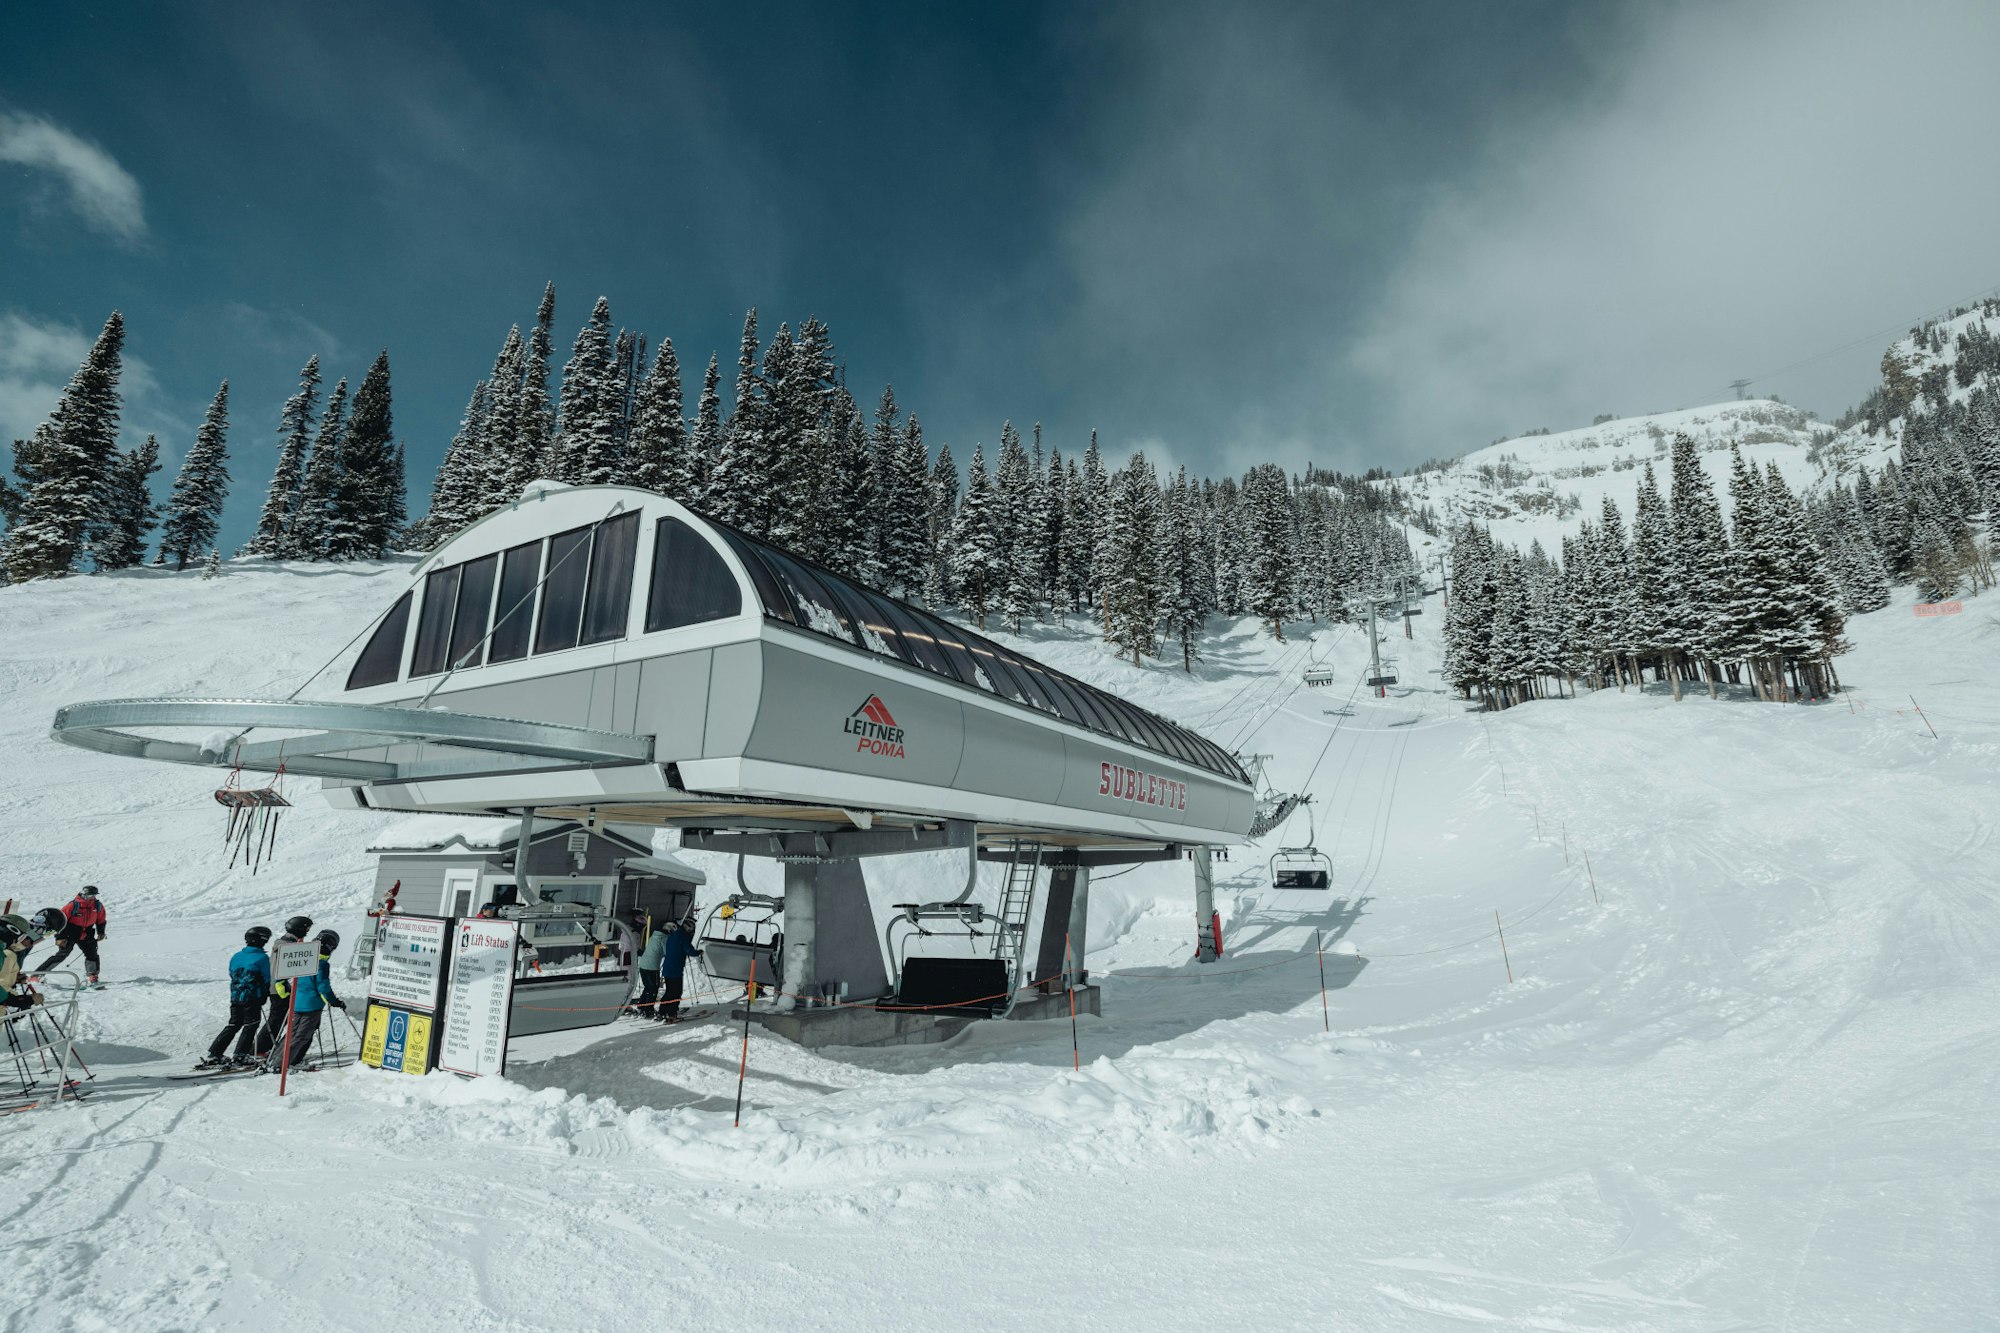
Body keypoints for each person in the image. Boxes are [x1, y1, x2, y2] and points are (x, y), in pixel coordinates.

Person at [196, 926, 272, 1070]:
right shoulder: (262, 958)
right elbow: (267, 978)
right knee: (251, 1024)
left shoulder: (236, 956)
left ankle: (214, 1053)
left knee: (234, 1024)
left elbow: (232, 973)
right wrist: (264, 994)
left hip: (236, 996)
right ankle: (241, 1054)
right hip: (253, 997)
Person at [254, 915, 314, 1061]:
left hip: (279, 986)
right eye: (306, 929)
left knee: (280, 1019)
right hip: (279, 988)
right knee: (277, 1020)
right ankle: (260, 1049)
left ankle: (264, 1048)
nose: (307, 932)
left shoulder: (284, 943)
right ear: (299, 928)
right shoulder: (287, 946)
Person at [283, 929, 346, 1070]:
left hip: (297, 1002)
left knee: (293, 1034)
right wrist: (334, 1001)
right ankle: (282, 1063)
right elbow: (323, 988)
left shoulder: (304, 959)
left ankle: (281, 1059)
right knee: (302, 1036)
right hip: (311, 1006)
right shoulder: (321, 964)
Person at [33, 886, 107, 984]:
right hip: (69, 934)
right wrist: (60, 937)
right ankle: (37, 975)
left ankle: (92, 975)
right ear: (84, 894)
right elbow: (60, 921)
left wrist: (101, 932)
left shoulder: (97, 906)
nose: (92, 897)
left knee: (92, 954)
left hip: (87, 934)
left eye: (94, 895)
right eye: (90, 895)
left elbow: (101, 920)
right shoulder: (73, 906)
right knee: (62, 955)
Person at [654, 912, 700, 1022]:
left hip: (668, 967)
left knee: (669, 991)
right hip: (675, 970)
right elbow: (689, 950)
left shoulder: (674, 934)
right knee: (676, 992)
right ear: (688, 927)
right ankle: (672, 1013)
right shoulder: (683, 936)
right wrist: (698, 952)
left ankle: (662, 1011)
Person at [1, 915, 44, 1013]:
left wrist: (14, 976)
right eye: (22, 938)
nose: (29, 944)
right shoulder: (8, 954)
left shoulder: (6, 951)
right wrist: (16, 1000)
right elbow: (2, 983)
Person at [628, 918, 666, 1017]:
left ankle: (642, 1006)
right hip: (652, 967)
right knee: (653, 988)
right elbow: (667, 952)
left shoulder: (654, 936)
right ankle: (648, 1010)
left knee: (648, 987)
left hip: (644, 965)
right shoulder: (664, 938)